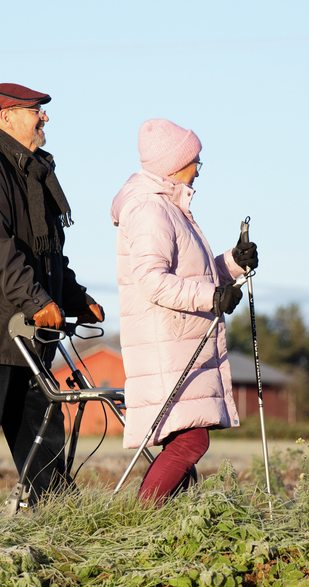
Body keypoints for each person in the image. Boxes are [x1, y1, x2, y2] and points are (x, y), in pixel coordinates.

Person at [0, 82, 104, 516]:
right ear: (5, 116)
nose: (43, 118)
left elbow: (46, 252)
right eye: (35, 111)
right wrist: (35, 300)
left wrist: (75, 298)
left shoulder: (28, 171)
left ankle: (58, 518)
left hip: (24, 331)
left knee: (41, 428)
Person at [110, 118, 259, 504]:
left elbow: (195, 274)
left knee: (187, 440)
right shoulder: (150, 210)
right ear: (174, 163)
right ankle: (142, 518)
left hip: (177, 341)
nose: (199, 168)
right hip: (167, 345)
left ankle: (157, 522)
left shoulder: (169, 208)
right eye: (196, 159)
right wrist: (212, 298)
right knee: (191, 439)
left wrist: (234, 263)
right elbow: (152, 280)